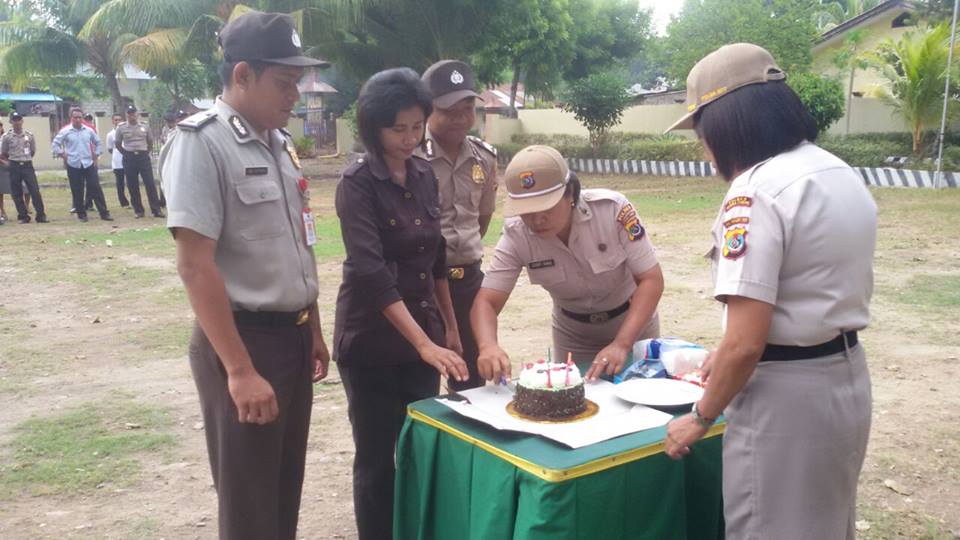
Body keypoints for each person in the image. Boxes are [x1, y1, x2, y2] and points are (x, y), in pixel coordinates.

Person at [662, 43, 876, 540]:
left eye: (701, 132)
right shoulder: (835, 171)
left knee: (767, 527)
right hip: (844, 378)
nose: (704, 148)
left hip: (784, 397)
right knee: (826, 524)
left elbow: (746, 343)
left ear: (726, 123)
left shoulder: (755, 190)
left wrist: (699, 417)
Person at [159, 11, 330, 540]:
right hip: (243, 341)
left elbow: (299, 243)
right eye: (283, 84)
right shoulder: (201, 143)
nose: (294, 96)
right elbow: (194, 264)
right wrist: (238, 370)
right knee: (250, 500)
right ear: (241, 75)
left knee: (282, 488)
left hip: (292, 338)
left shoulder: (278, 145)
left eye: (296, 83)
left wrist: (314, 327)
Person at [333, 67, 468, 540]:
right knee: (375, 459)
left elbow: (437, 259)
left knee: (418, 448)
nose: (410, 138)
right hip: (370, 341)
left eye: (417, 126)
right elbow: (370, 272)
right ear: (374, 127)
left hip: (422, 338)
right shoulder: (357, 183)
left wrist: (448, 329)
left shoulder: (423, 174)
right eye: (398, 128)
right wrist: (424, 344)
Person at [471, 145, 664, 381]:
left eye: (546, 207)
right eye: (527, 211)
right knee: (576, 405)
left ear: (570, 193)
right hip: (574, 335)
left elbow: (650, 280)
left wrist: (623, 344)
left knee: (641, 401)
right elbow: (487, 301)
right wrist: (488, 345)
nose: (537, 219)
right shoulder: (516, 233)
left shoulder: (612, 210)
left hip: (633, 326)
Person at [414, 59, 498, 390]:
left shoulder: (483, 158)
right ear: (427, 110)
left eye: (467, 108)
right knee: (420, 383)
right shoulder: (412, 158)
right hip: (422, 285)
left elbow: (482, 218)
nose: (461, 118)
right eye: (449, 110)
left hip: (469, 284)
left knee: (472, 383)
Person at [52, 108, 112, 222]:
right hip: (73, 164)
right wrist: (63, 154)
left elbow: (98, 142)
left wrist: (97, 153)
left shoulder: (88, 131)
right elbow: (55, 144)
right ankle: (81, 214)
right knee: (77, 189)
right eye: (75, 117)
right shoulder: (65, 131)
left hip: (88, 163)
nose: (78, 120)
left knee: (95, 187)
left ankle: (104, 213)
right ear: (71, 118)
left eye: (80, 117)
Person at [116, 104, 163, 218]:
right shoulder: (121, 127)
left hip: (143, 156)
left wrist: (146, 152)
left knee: (150, 183)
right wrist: (126, 153)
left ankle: (156, 210)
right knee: (132, 184)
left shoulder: (144, 126)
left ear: (136, 114)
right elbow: (118, 143)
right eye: (129, 113)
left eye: (134, 113)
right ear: (126, 115)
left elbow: (150, 141)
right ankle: (139, 210)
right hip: (129, 156)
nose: (132, 116)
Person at [1, 112, 48, 223]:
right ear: (11, 122)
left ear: (22, 121)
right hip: (14, 165)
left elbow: (32, 151)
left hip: (27, 164)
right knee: (16, 192)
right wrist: (11, 162)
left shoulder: (29, 135)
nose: (17, 122)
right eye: (14, 120)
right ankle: (23, 216)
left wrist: (25, 158)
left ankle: (41, 215)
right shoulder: (7, 137)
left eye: (19, 119)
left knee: (34, 190)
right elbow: (4, 152)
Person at [106, 113, 129, 207]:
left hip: (128, 159)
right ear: (112, 121)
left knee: (131, 181)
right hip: (117, 161)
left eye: (119, 119)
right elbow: (110, 148)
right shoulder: (110, 134)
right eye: (116, 120)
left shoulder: (127, 131)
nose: (118, 121)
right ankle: (123, 202)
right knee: (120, 183)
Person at [0, 121, 8, 224]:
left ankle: (25, 209)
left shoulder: (6, 137)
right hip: (2, 164)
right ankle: (2, 211)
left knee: (23, 188)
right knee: (0, 190)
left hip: (9, 163)